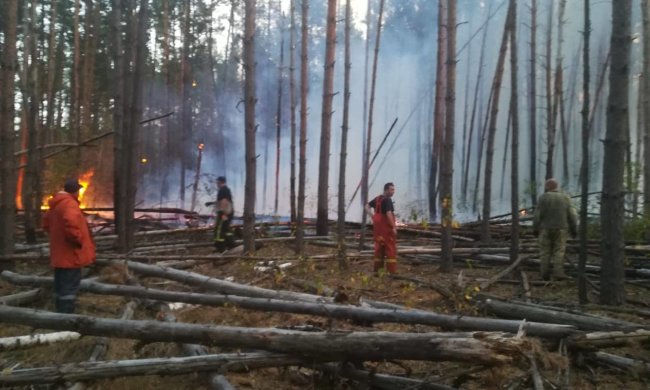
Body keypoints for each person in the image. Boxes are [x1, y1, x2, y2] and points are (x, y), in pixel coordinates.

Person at [42, 178, 96, 313]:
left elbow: (46, 224)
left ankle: (59, 313)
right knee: (70, 286)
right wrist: (77, 241)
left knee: (60, 285)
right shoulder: (69, 204)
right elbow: (71, 224)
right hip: (70, 254)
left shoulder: (56, 205)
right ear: (76, 191)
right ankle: (66, 318)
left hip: (60, 254)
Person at [533, 178, 578, 281]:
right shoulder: (565, 198)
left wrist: (535, 229)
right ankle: (558, 273)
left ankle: (544, 274)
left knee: (544, 251)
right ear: (557, 186)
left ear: (547, 187)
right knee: (559, 251)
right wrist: (574, 229)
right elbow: (573, 215)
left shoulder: (542, 198)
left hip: (545, 229)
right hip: (561, 229)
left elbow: (537, 216)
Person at [365, 182, 398, 274]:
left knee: (379, 248)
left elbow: (366, 206)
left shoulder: (377, 199)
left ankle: (378, 271)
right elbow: (388, 214)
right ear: (386, 190)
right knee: (390, 249)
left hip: (378, 230)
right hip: (386, 230)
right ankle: (391, 272)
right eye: (392, 189)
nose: (393, 192)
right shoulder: (387, 200)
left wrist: (372, 216)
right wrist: (393, 227)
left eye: (393, 189)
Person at [205, 176, 234, 252]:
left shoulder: (223, 190)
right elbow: (222, 200)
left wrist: (224, 214)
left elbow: (224, 201)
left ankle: (221, 248)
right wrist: (211, 203)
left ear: (220, 182)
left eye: (217, 182)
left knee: (219, 230)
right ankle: (230, 245)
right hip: (228, 212)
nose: (216, 183)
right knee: (226, 229)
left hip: (224, 212)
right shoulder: (226, 190)